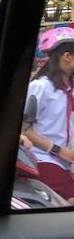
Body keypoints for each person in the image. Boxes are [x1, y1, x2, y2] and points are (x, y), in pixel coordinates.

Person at [23, 27, 74, 204]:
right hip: (43, 158)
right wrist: (56, 150)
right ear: (67, 56)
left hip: (66, 159)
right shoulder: (41, 87)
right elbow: (22, 129)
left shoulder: (70, 89)